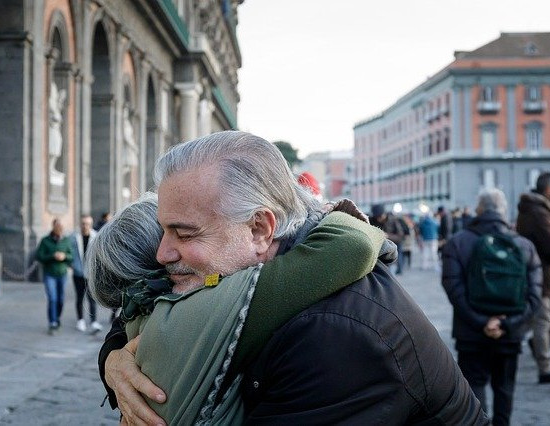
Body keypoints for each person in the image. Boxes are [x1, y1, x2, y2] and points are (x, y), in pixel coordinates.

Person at [99, 131, 487, 425]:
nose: (162, 254)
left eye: (184, 234)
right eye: (164, 230)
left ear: (259, 230)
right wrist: (114, 361)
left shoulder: (334, 334)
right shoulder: (236, 277)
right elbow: (150, 306)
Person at [88, 192, 384, 424]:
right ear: (165, 266)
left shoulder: (144, 317)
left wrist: (111, 359)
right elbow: (352, 245)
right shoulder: (218, 305)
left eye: (183, 233)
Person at [442, 188, 542, 425]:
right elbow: (534, 296)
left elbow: (453, 288)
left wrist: (481, 322)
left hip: (470, 333)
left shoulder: (458, 243)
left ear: (478, 209)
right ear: (504, 211)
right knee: (505, 388)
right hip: (510, 333)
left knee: (474, 388)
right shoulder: (524, 245)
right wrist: (506, 323)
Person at [517, 172, 550, 384]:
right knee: (543, 319)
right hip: (542, 275)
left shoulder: (533, 209)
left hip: (538, 273)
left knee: (538, 318)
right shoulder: (538, 212)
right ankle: (545, 367)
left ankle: (534, 345)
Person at [36, 218, 74, 334]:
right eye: (58, 227)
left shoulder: (66, 240)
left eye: (61, 227)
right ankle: (52, 322)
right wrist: (52, 256)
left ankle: (57, 318)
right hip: (50, 274)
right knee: (52, 298)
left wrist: (64, 257)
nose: (60, 229)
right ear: (53, 227)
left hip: (62, 274)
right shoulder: (45, 240)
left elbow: (71, 256)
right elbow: (39, 256)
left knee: (61, 300)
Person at [70, 214, 102, 333]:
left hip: (91, 273)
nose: (85, 226)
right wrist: (72, 264)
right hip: (78, 273)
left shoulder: (96, 236)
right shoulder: (74, 237)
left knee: (92, 298)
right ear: (80, 224)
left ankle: (94, 322)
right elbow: (69, 252)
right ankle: (80, 320)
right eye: (83, 223)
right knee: (79, 297)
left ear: (91, 224)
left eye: (87, 224)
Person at [369, 203, 405, 274]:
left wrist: (388, 236)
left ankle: (400, 270)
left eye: (380, 216)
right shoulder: (372, 220)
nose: (378, 219)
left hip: (394, 246)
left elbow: (400, 236)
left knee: (395, 265)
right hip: (381, 249)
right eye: (377, 217)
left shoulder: (393, 220)